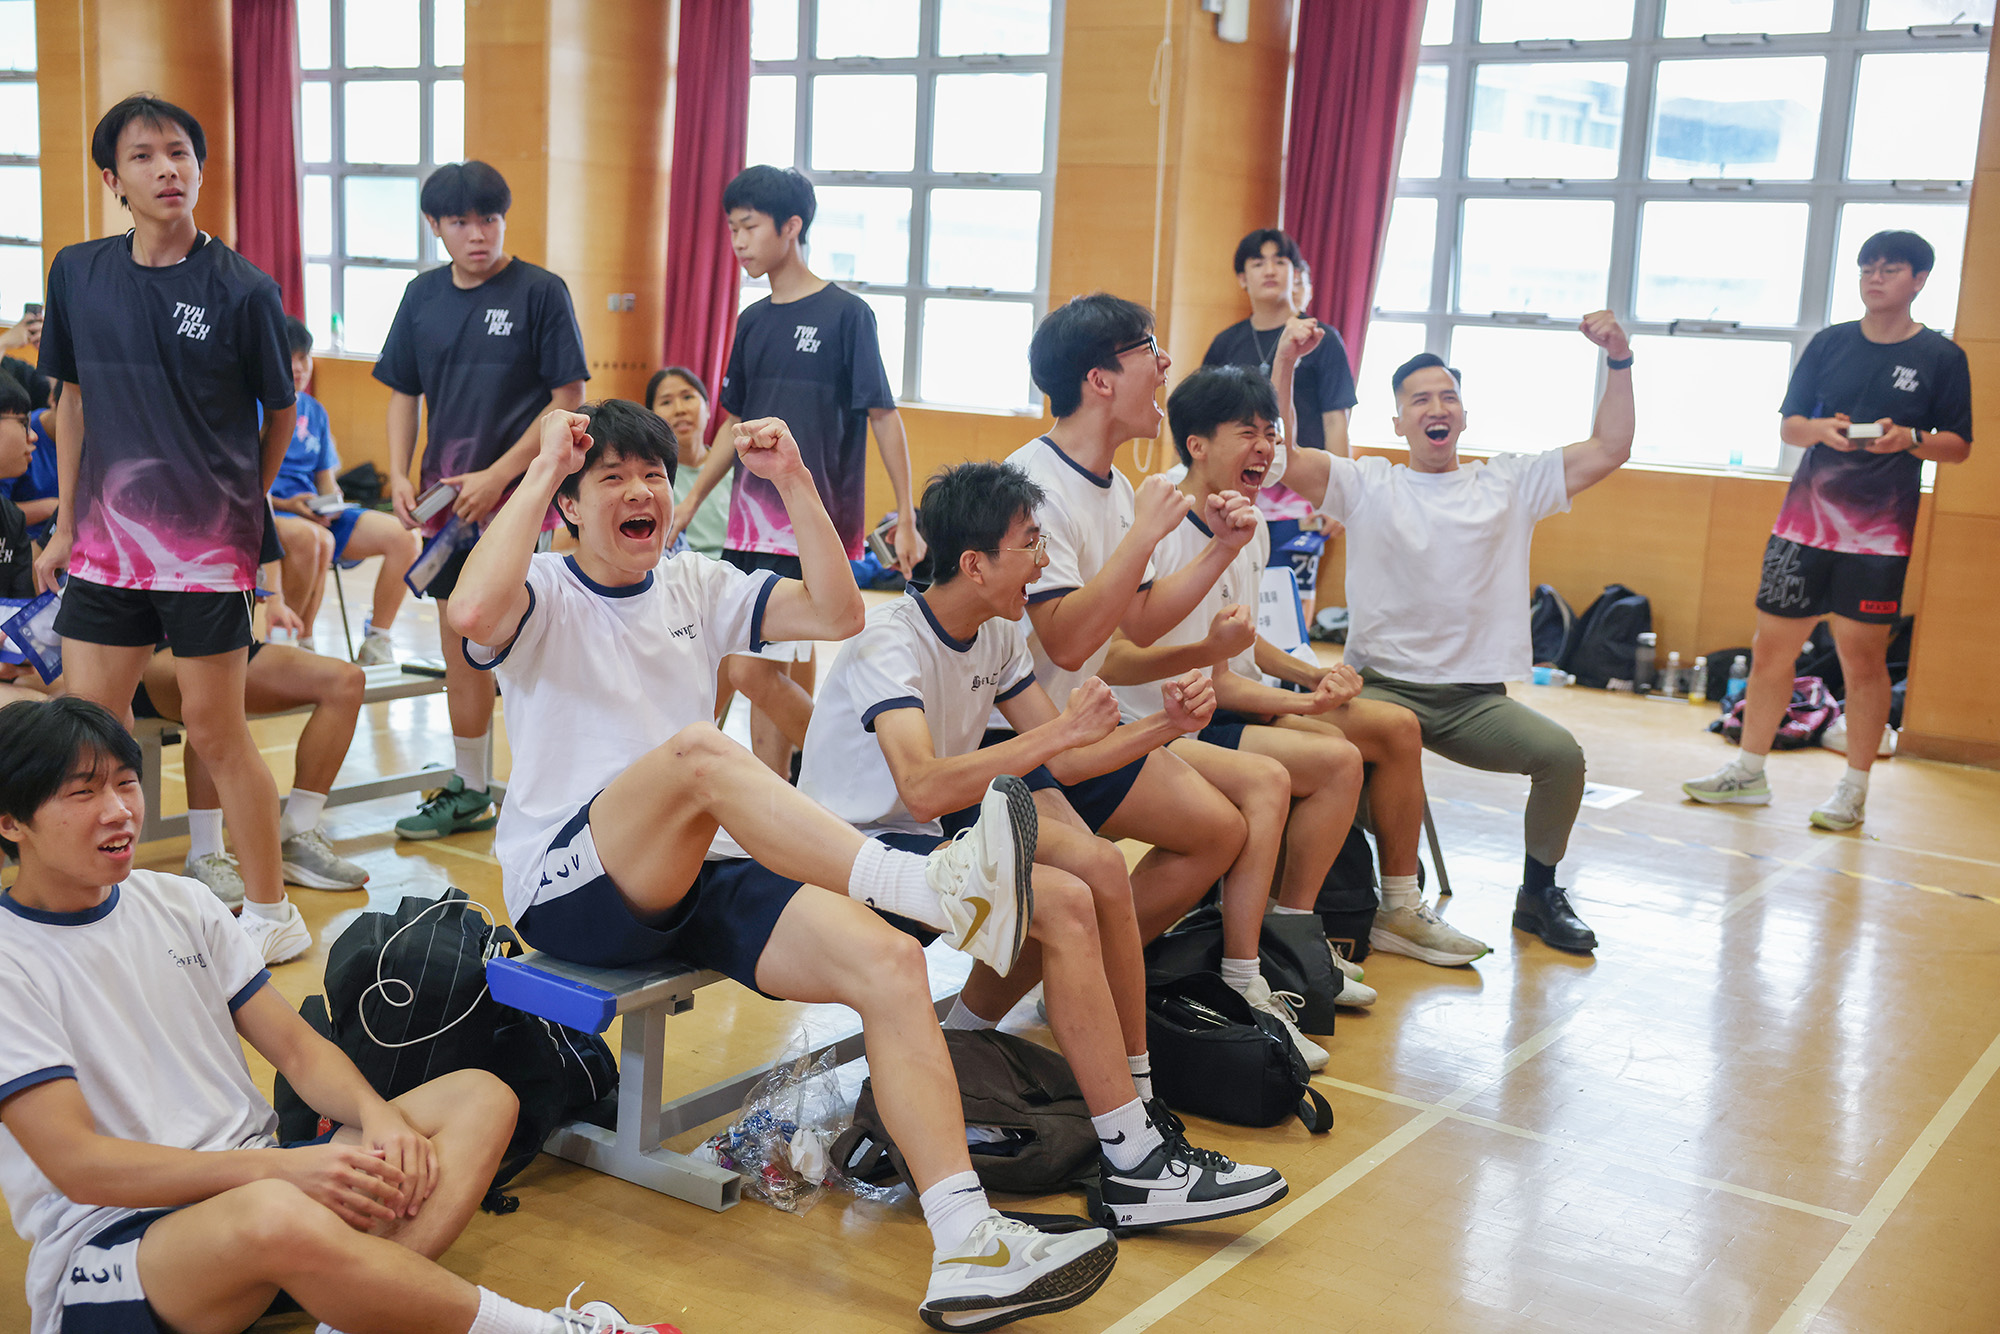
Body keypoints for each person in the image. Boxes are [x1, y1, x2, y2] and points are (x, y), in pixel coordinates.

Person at [450, 400, 1118, 1329]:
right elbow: (471, 614)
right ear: (568, 503)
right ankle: (924, 884)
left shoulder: (696, 582)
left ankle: (969, 1242)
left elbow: (840, 612)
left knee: (891, 963)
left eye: (654, 476)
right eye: (612, 479)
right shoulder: (540, 589)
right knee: (701, 753)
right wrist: (539, 465)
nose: (641, 492)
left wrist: (797, 480)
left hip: (700, 863)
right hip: (573, 881)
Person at [0, 697, 683, 1334]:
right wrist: (277, 1174)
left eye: (126, 784)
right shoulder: (10, 961)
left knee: (480, 1098)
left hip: (262, 1193)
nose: (119, 811)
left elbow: (298, 1051)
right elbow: (82, 1167)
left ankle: (350, 1313)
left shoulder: (180, 903)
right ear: (10, 822)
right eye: (83, 794)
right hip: (122, 1244)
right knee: (272, 1208)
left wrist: (376, 1117)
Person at [800, 459, 1291, 1230]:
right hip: (850, 853)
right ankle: (1134, 1152)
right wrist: (1064, 732)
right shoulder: (889, 643)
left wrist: (1165, 726)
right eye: (1030, 543)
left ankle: (1127, 1105)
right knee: (1059, 903)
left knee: (1095, 867)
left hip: (925, 839)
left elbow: (1062, 759)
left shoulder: (995, 634)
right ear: (974, 564)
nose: (1043, 560)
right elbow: (923, 786)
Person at [1000, 292, 1333, 1067]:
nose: (1166, 364)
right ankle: (1014, 1009)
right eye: (1149, 350)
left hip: (1082, 726)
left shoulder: (1117, 487)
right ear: (1100, 380)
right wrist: (1151, 533)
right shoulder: (1031, 482)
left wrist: (1218, 549)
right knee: (1094, 881)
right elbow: (1070, 636)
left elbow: (1142, 621)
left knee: (1219, 830)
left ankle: (1092, 979)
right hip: (1017, 736)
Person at [31, 94, 311, 965]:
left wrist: (243, 499)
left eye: (181, 153)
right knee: (87, 727)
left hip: (207, 554)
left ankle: (271, 910)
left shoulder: (242, 288)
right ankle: (85, 889)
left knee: (216, 731)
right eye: (145, 156)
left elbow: (280, 408)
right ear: (112, 179)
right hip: (105, 546)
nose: (167, 170)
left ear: (199, 166)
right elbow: (71, 401)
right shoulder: (78, 273)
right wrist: (65, 525)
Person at [1279, 313, 1637, 958]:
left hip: (1474, 702)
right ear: (1398, 422)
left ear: (1463, 416)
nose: (1436, 408)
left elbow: (1611, 445)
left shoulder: (1510, 483)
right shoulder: (1367, 484)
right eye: (1420, 399)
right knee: (1321, 755)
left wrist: (1618, 358)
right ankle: (1387, 879)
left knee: (1560, 757)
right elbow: (1280, 456)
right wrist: (1285, 365)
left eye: (1448, 397)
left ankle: (1538, 895)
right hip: (1381, 692)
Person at [1105, 364, 1445, 1006]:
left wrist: (1312, 673)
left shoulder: (1250, 522)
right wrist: (1304, 701)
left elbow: (1239, 641)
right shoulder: (1158, 523)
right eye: (1248, 433)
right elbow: (1210, 673)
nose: (1265, 447)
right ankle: (1272, 950)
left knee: (1374, 737)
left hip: (1221, 704)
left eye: (1272, 433)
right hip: (1173, 719)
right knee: (1332, 760)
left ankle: (1300, 935)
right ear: (1197, 444)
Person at [1683, 230, 1972, 831]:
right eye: (1867, 268)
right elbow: (1790, 426)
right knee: (1771, 650)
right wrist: (1820, 431)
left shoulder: (1941, 358)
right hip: (1801, 529)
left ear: (1919, 280)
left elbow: (1958, 445)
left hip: (1877, 539)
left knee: (1862, 660)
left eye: (1890, 269)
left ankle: (1853, 789)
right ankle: (1748, 771)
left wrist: (1910, 438)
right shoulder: (1831, 343)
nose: (1874, 278)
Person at [667, 165, 926, 778]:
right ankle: (787, 795)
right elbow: (734, 422)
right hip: (747, 527)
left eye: (749, 227)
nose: (738, 242)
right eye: (732, 229)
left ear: (791, 226)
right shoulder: (752, 321)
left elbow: (884, 416)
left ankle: (860, 774)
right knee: (771, 671)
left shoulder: (847, 315)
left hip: (811, 528)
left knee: (749, 670)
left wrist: (908, 516)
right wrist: (691, 500)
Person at [375, 160, 589, 840]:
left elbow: (568, 400)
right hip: (450, 510)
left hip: (523, 502)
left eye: (490, 219)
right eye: (461, 222)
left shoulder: (540, 292)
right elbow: (403, 392)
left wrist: (500, 475)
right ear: (435, 226)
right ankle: (470, 788)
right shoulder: (421, 296)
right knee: (459, 643)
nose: (478, 234)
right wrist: (398, 472)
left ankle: (552, 788)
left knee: (532, 643)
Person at [137, 626, 373, 897]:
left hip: (230, 645)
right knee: (212, 687)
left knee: (346, 681)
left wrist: (275, 604)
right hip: (158, 652)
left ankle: (297, 831)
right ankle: (205, 853)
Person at [1202, 229, 1357, 600]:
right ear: (1243, 278)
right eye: (1258, 263)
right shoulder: (1226, 343)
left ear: (1296, 272)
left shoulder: (1321, 339)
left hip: (1300, 496)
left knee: (1289, 604)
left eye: (1280, 261)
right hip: (1236, 494)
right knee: (1232, 598)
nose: (1270, 270)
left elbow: (1335, 421)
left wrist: (1339, 495)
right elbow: (1205, 420)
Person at [270, 316, 420, 662]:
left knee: (406, 536)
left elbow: (326, 481)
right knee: (315, 539)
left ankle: (377, 640)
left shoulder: (314, 411)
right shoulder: (255, 408)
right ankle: (296, 644)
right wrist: (290, 505)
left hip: (314, 513)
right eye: (289, 358)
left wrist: (332, 503)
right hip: (275, 511)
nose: (298, 367)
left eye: (304, 357)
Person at [645, 365, 731, 560]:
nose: (680, 410)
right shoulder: (651, 477)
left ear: (708, 408)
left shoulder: (736, 468)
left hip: (739, 568)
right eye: (666, 402)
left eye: (687, 397)